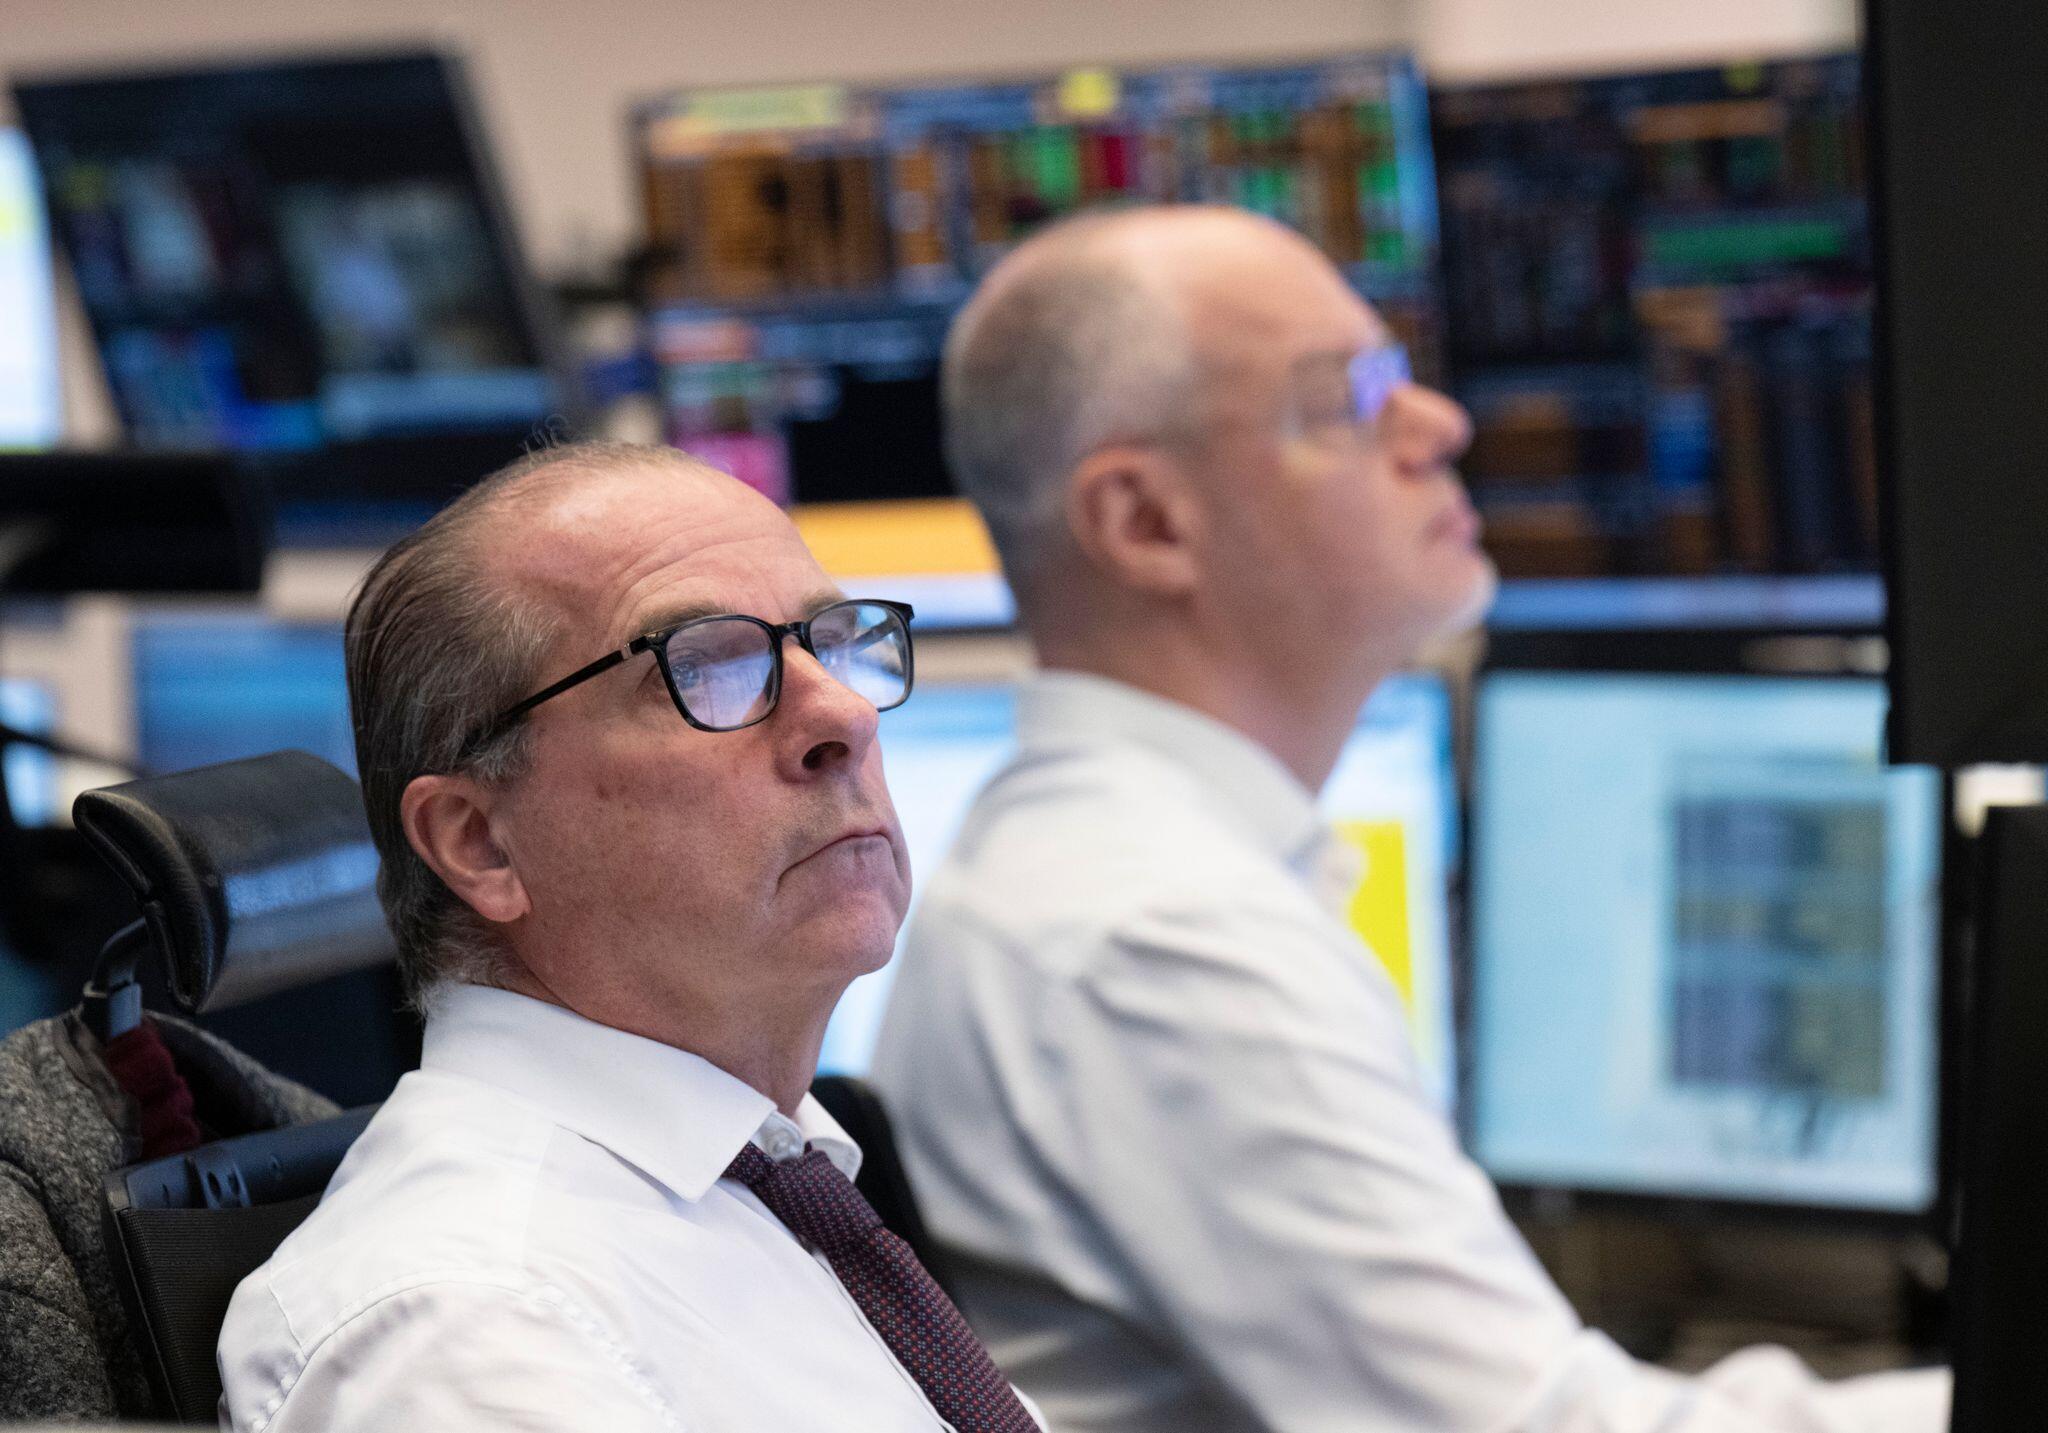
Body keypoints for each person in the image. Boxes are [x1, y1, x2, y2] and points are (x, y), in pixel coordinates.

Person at [869, 206, 1948, 1433]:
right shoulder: (1156, 936)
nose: (1437, 424)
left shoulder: (1116, 864)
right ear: (1145, 523)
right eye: (1349, 397)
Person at [218, 442, 1043, 1432]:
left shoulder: (778, 1182)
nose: (845, 713)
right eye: (704, 665)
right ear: (480, 842)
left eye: (830, 642)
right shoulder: (466, 1324)